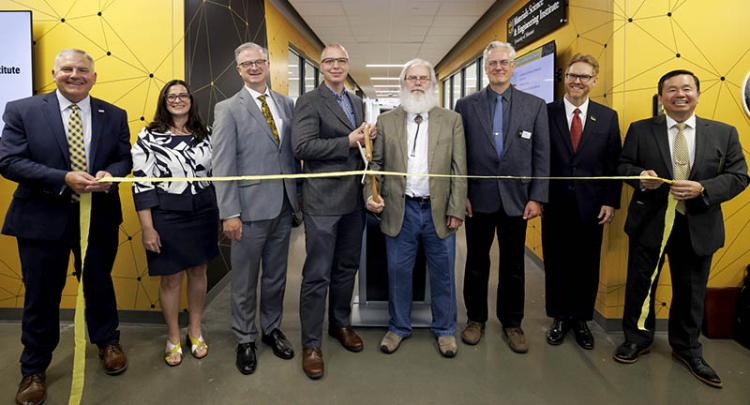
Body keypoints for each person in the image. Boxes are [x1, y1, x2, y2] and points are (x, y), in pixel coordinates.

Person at [0, 48, 131, 405]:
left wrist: (111, 174)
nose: (76, 75)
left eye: (83, 70)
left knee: (99, 283)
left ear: (94, 76)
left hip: (99, 216)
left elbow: (124, 158)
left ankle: (107, 342)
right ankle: (34, 368)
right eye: (68, 69)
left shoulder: (113, 114)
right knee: (41, 295)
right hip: (41, 219)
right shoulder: (22, 110)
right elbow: (9, 161)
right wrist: (63, 178)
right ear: (55, 73)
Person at [614, 70, 748, 388]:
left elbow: (739, 176)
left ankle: (687, 348)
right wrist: (639, 178)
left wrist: (704, 188)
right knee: (641, 285)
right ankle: (637, 339)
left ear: (697, 95)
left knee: (691, 292)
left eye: (686, 89)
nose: (679, 94)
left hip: (698, 225)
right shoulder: (641, 130)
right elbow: (623, 166)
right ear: (661, 97)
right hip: (650, 224)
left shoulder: (724, 133)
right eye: (671, 89)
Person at [366, 58, 466, 358]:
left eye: (424, 78)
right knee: (398, 272)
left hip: (438, 210)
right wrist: (369, 195)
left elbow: (460, 169)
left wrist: (456, 208)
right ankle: (398, 327)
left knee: (443, 273)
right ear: (403, 84)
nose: (418, 83)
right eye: (412, 78)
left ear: (432, 84)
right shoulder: (387, 121)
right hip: (401, 210)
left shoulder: (451, 120)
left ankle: (445, 330)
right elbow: (376, 165)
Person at [455, 41, 550, 353]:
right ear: (486, 68)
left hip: (517, 201)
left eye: (504, 63)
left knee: (513, 265)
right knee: (476, 262)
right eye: (493, 63)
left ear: (513, 67)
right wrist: (462, 194)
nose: (498, 67)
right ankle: (475, 320)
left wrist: (537, 197)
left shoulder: (534, 105)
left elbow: (541, 155)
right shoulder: (466, 106)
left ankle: (512, 323)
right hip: (478, 200)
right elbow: (460, 155)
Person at [212, 42, 299, 375]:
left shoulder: (286, 104)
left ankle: (270, 328)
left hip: (283, 207)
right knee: (246, 280)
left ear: (267, 64)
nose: (253, 67)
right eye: (246, 63)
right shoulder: (228, 109)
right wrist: (229, 213)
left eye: (258, 61)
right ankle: (245, 338)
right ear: (238, 69)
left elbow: (290, 154)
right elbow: (222, 165)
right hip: (247, 212)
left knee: (276, 276)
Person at [292, 43, 373, 379]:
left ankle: (339, 324)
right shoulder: (309, 101)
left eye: (342, 60)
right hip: (322, 202)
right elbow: (302, 146)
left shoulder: (356, 101)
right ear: (321, 67)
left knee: (347, 268)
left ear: (348, 64)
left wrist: (369, 140)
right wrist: (348, 142)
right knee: (317, 274)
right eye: (330, 61)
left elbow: (359, 146)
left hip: (354, 201)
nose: (336, 66)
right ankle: (311, 343)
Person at [131, 79, 218, 367]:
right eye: (172, 96)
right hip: (166, 216)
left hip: (203, 213)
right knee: (170, 278)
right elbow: (142, 185)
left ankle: (195, 329)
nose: (178, 100)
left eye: (183, 95)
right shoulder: (149, 136)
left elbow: (219, 173)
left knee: (198, 270)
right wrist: (147, 227)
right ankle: (172, 337)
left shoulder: (206, 134)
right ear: (164, 101)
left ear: (191, 100)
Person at [542, 54, 621, 350]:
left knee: (587, 264)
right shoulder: (545, 113)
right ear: (565, 78)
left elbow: (613, 163)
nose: (577, 81)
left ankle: (581, 319)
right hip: (555, 203)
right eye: (573, 75)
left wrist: (610, 202)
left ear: (594, 81)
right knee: (557, 262)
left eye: (584, 77)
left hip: (593, 206)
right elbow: (538, 159)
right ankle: (560, 317)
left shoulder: (608, 117)